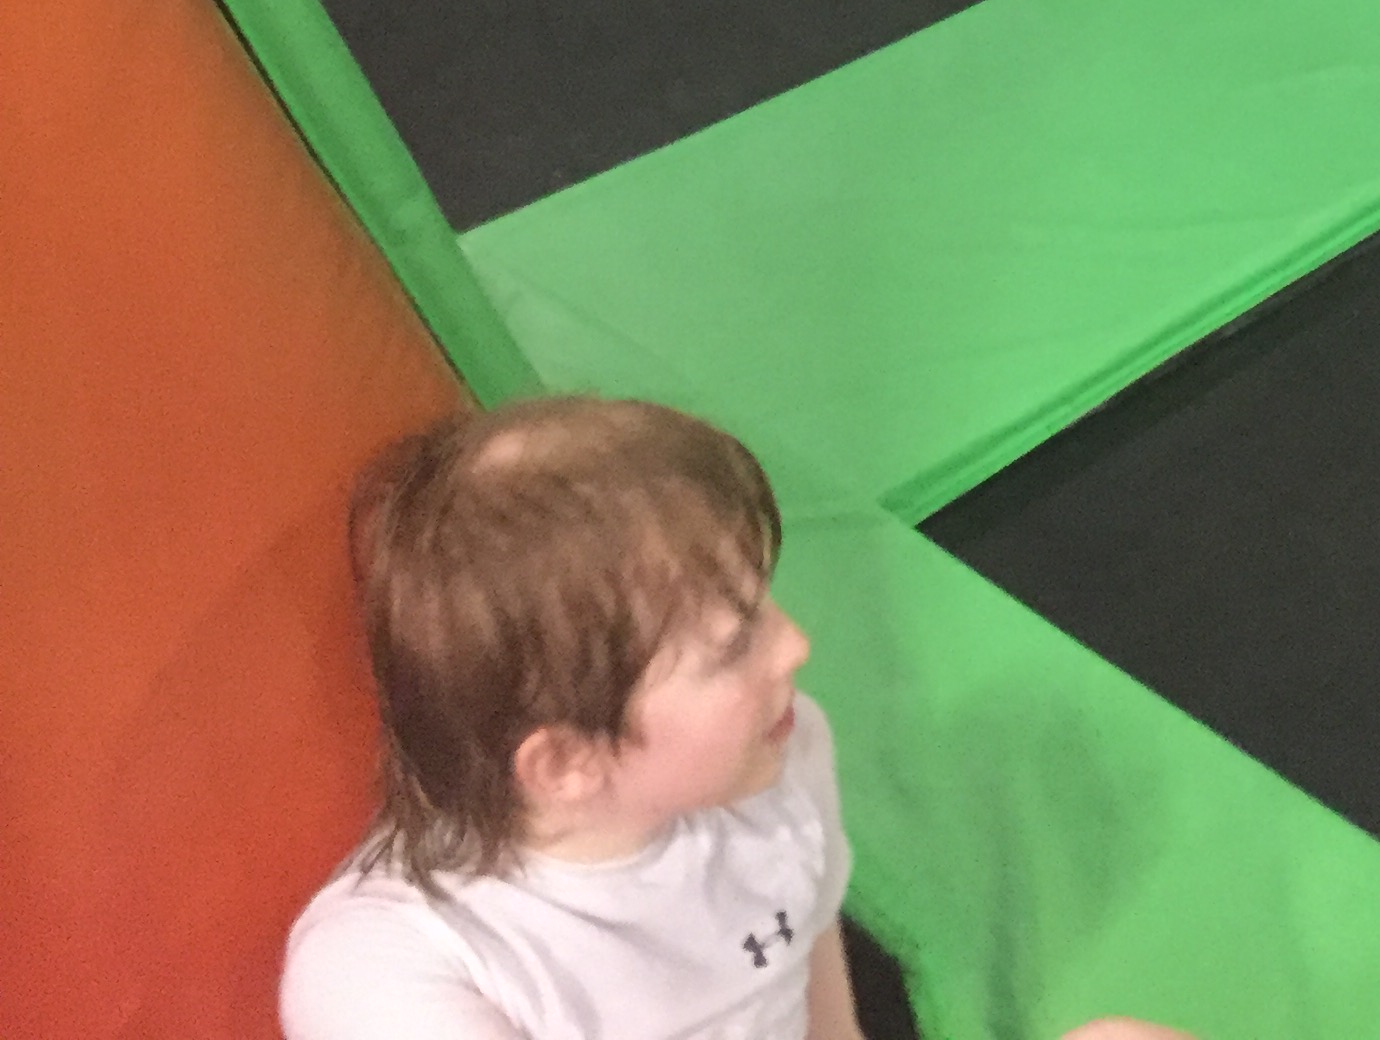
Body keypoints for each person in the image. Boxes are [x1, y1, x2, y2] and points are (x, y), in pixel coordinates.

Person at [281, 394, 1195, 1040]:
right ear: (565, 763)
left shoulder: (773, 758)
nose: (794, 645)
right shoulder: (396, 968)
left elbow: (810, 975)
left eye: (763, 606)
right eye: (731, 648)